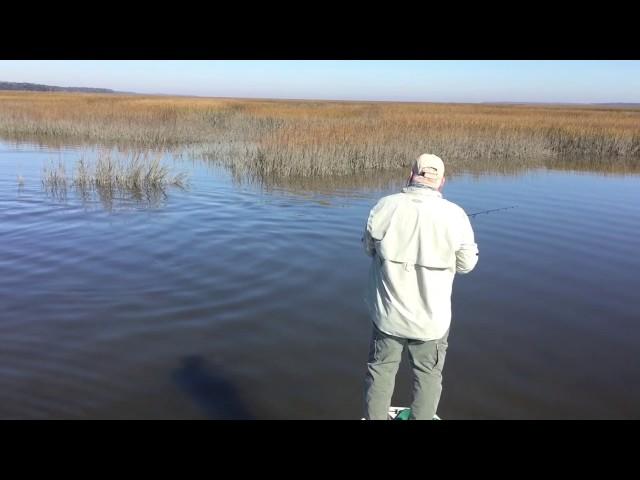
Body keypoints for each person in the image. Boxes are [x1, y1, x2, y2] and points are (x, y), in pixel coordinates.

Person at [362, 153, 479, 420]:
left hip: (388, 316)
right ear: (442, 182)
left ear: (410, 175)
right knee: (428, 376)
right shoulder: (456, 215)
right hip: (432, 322)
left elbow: (368, 249)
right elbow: (466, 265)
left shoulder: (384, 206)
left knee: (380, 372)